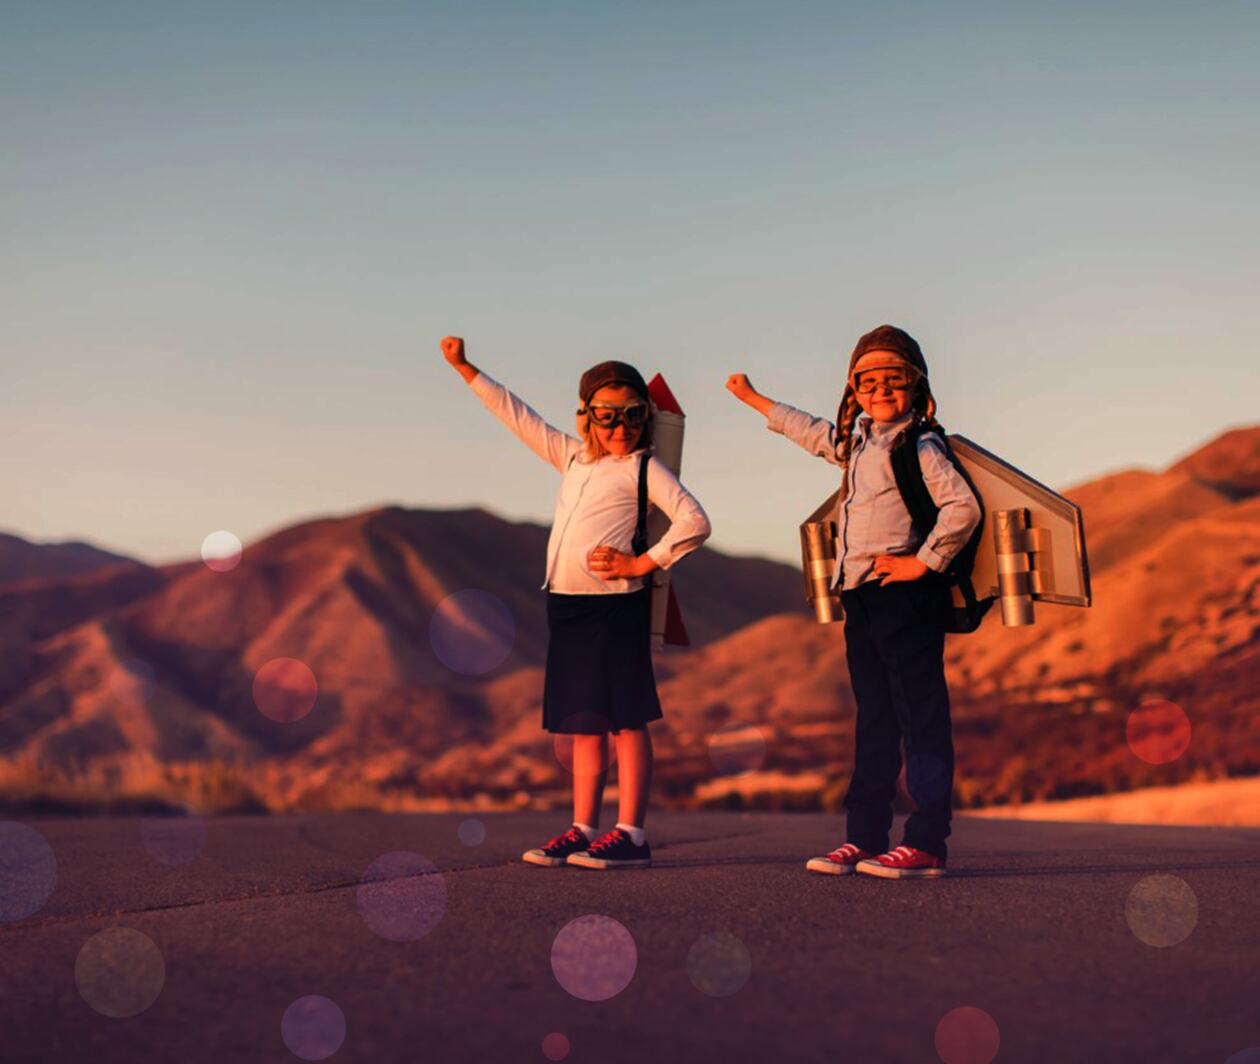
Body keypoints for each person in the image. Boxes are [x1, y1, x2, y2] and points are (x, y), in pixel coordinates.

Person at [442, 336, 711, 870]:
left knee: (627, 720)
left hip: (617, 607)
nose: (620, 428)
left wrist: (642, 563)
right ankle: (584, 828)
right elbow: (517, 415)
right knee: (584, 722)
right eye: (607, 415)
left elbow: (695, 521)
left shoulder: (643, 468)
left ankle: (631, 833)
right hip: (567, 606)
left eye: (632, 415)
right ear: (586, 416)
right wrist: (464, 367)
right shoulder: (571, 457)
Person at [726, 325, 980, 878]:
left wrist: (924, 562)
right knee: (875, 721)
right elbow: (811, 430)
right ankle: (863, 837)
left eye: (895, 379)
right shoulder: (856, 443)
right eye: (868, 380)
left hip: (907, 596)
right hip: (861, 597)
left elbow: (962, 508)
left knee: (922, 722)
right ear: (852, 387)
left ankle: (926, 842)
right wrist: (754, 399)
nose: (881, 389)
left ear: (917, 385)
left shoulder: (923, 444)